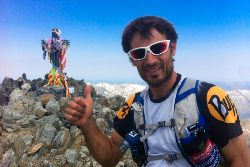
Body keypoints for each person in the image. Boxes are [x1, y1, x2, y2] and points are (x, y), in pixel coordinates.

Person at [65, 16, 250, 167]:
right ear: (132, 60)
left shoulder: (208, 97)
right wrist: (88, 124)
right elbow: (110, 157)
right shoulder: (133, 106)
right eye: (139, 53)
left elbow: (241, 160)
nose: (150, 60)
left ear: (173, 48)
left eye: (158, 48)